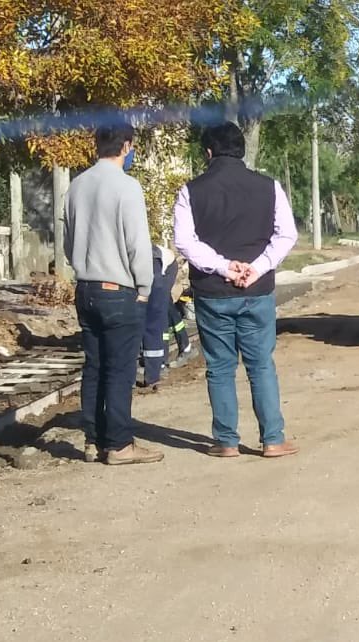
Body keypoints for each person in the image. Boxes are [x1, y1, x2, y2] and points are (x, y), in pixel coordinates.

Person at [173, 121, 300, 459]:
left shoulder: (190, 191)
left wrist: (224, 266)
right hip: (257, 291)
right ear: (241, 151)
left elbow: (185, 241)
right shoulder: (269, 187)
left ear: (208, 153)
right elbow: (287, 235)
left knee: (219, 367)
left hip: (213, 292)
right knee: (261, 364)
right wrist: (255, 268)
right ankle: (273, 439)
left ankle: (226, 441)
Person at [65, 122, 164, 465]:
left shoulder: (76, 186)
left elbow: (67, 243)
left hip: (86, 288)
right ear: (126, 146)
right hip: (119, 289)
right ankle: (119, 444)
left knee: (93, 367)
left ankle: (92, 441)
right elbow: (137, 242)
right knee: (120, 370)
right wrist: (145, 286)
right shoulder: (127, 187)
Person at [137, 244, 180, 392]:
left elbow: (154, 286)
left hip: (166, 269)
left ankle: (156, 370)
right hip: (150, 272)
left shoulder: (150, 259)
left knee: (155, 317)